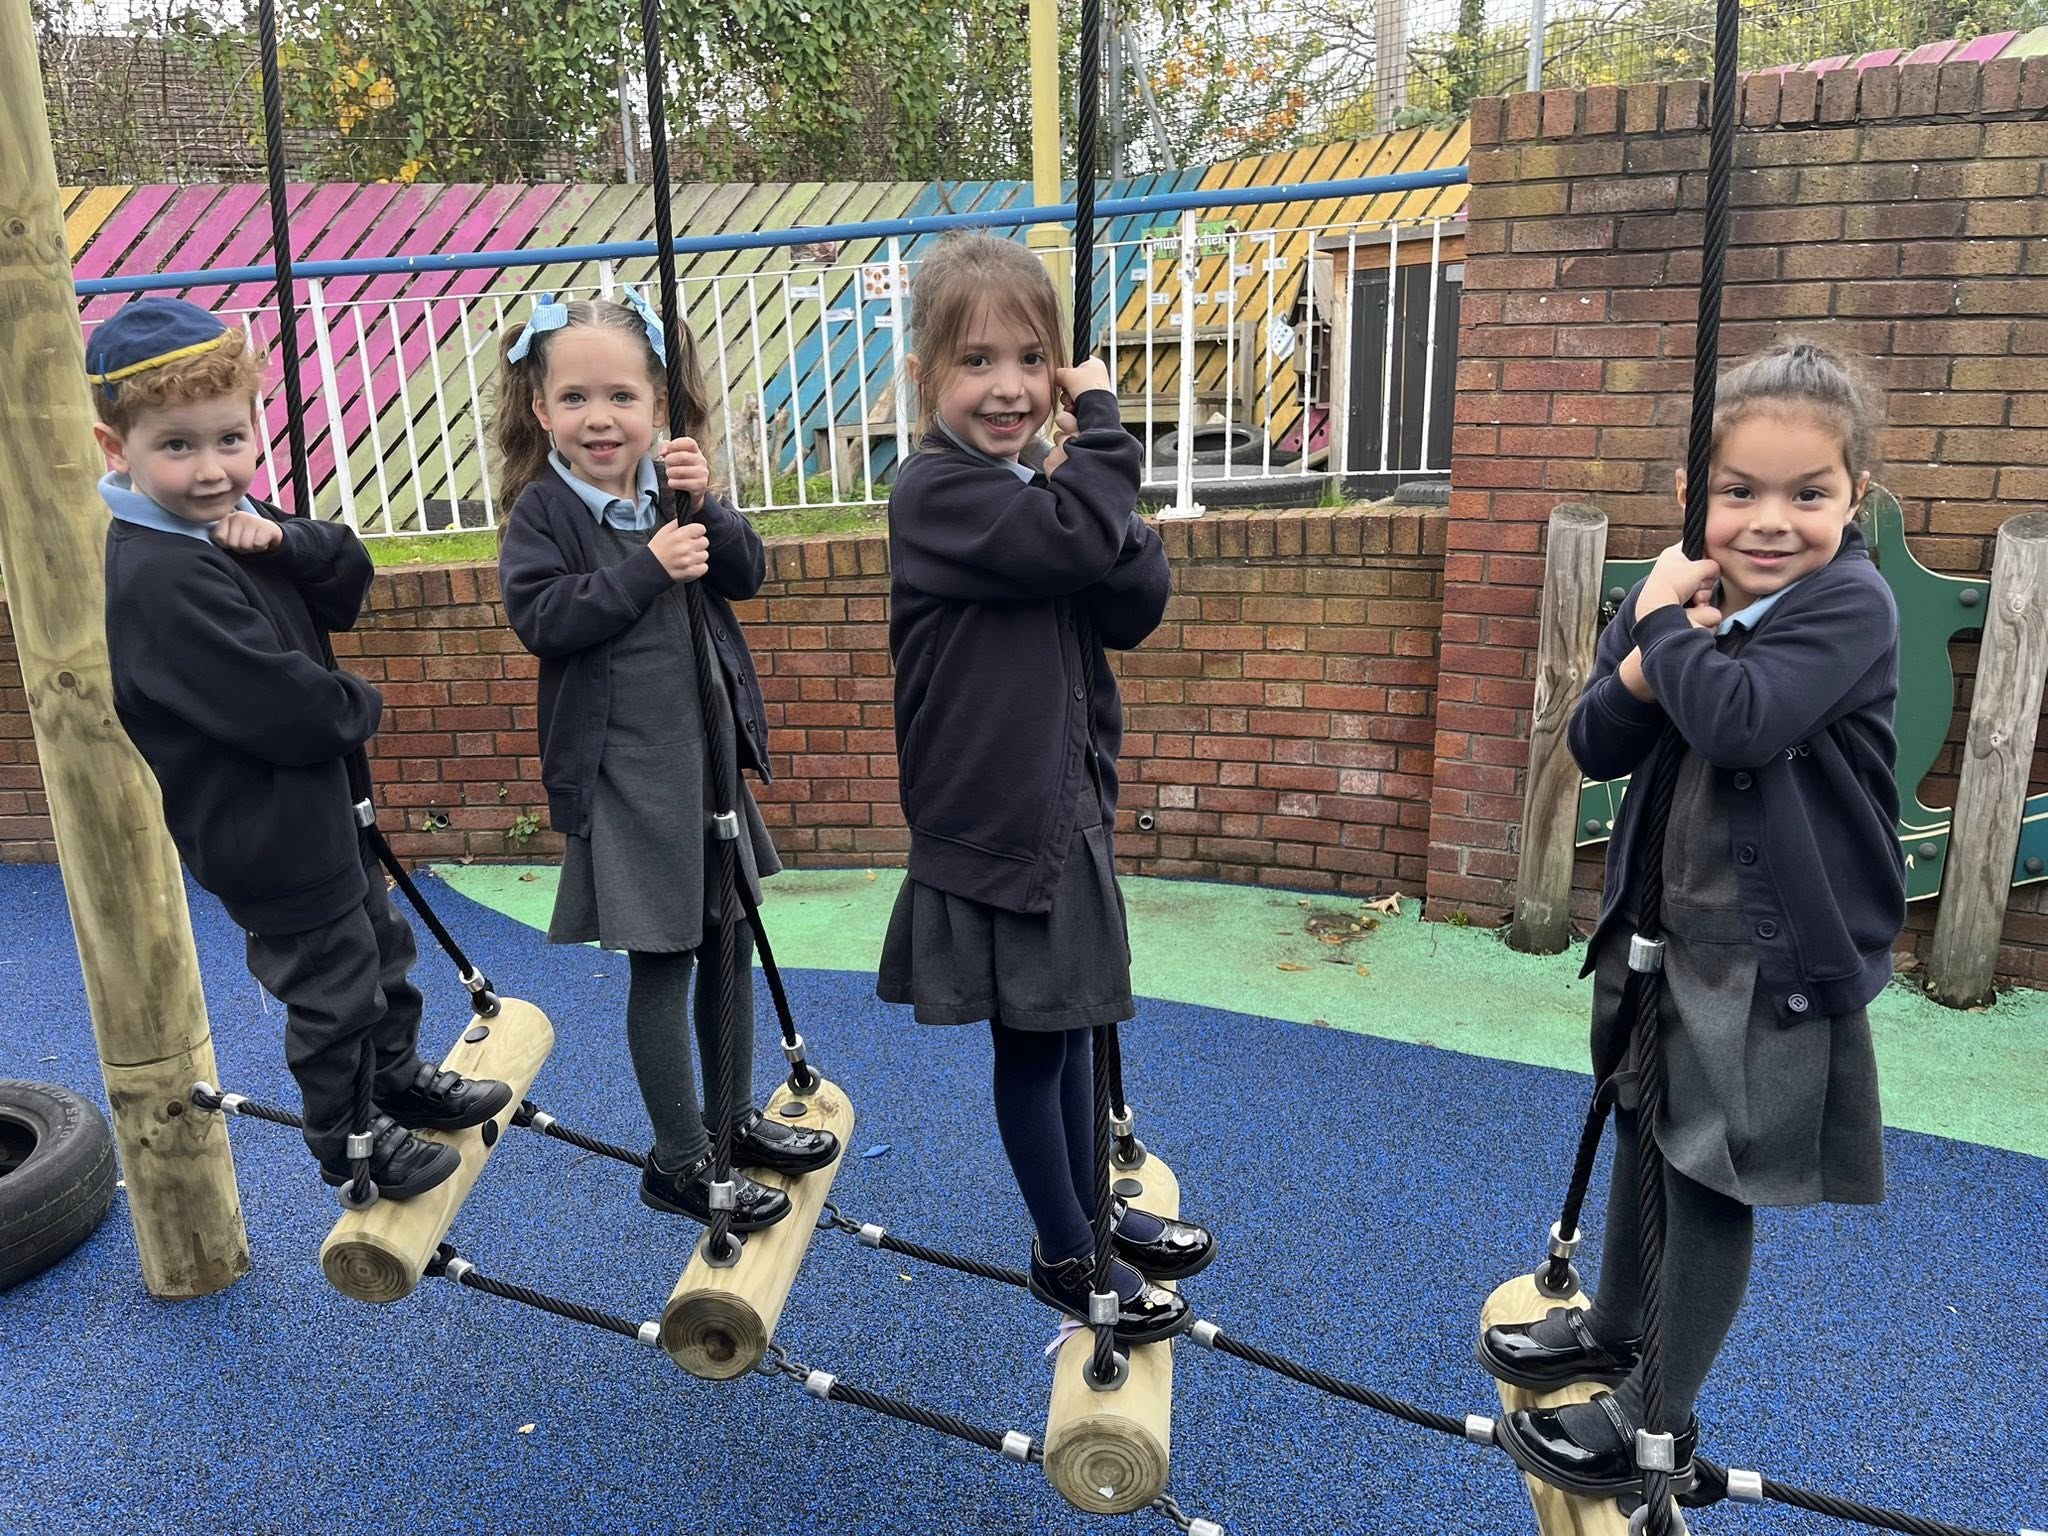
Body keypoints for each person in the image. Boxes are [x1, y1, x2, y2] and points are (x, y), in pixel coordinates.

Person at [1485, 339, 1904, 1497]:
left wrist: (1666, 626)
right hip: (1666, 932)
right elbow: (1592, 740)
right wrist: (1643, 645)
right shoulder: (1684, 592)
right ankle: (1618, 1322)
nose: (1770, 522)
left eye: (1806, 494)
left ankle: (1653, 1413)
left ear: (1851, 499)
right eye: (1737, 492)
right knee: (1642, 1125)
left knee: (1705, 1176)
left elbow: (1735, 717)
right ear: (1691, 496)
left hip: (1770, 959)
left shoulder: (1845, 607)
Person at [96, 296, 510, 1202]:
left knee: (380, 949)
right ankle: (351, 1141)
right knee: (332, 989)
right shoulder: (160, 573)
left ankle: (394, 1080)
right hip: (264, 829)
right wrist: (362, 704)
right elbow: (287, 710)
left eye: (231, 440)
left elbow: (346, 580)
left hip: (322, 811)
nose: (213, 469)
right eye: (178, 446)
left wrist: (285, 538)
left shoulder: (225, 521)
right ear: (114, 447)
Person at [879, 232, 1211, 1347]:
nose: (1009, 386)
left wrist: (1096, 495)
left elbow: (1128, 601)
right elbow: (1077, 539)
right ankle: (1063, 1253)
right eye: (975, 362)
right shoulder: (937, 491)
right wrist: (1103, 435)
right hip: (993, 817)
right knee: (1033, 1044)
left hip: (1060, 804)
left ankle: (1090, 1214)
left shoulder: (1030, 488)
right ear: (924, 379)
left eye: (1031, 358)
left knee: (1070, 1031)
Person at [495, 292, 837, 1232]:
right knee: (667, 959)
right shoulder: (545, 512)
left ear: (660, 407)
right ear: (540, 411)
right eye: (573, 399)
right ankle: (680, 1160)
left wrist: (709, 505)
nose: (598, 418)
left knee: (728, 940)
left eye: (621, 397)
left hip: (705, 762)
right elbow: (544, 620)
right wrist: (648, 562)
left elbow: (747, 575)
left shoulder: (675, 490)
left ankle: (728, 1123)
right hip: (627, 774)